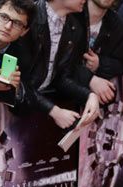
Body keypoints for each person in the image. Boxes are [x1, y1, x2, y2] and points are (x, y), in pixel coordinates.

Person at [22, 0, 100, 129]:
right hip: (14, 108)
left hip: (41, 105)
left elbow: (62, 77)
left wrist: (89, 95)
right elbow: (18, 81)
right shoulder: (28, 17)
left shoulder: (74, 27)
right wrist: (54, 111)